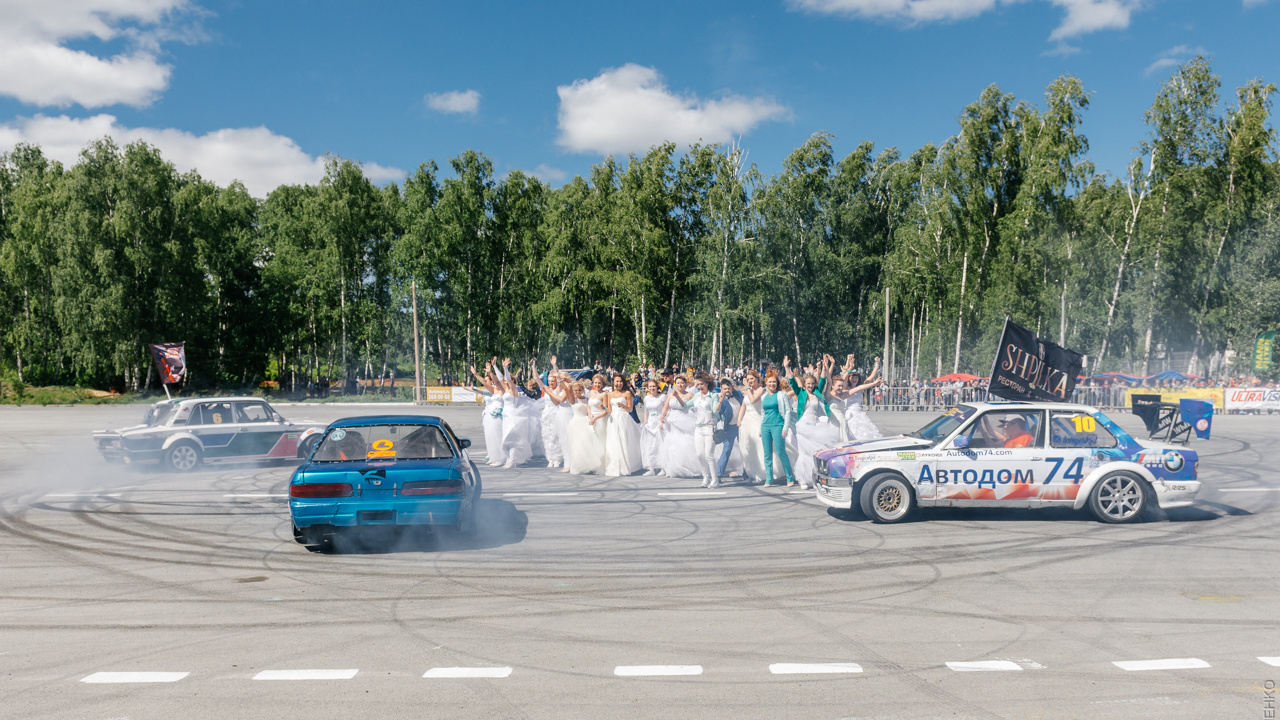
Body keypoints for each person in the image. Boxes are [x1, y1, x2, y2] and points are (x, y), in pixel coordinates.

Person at [784, 356, 838, 490]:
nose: (810, 386)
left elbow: (823, 380)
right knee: (803, 453)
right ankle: (803, 479)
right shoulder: (800, 393)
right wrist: (786, 367)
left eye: (812, 384)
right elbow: (792, 381)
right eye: (808, 384)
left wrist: (825, 367)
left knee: (815, 453)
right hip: (803, 426)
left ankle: (814, 477)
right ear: (804, 384)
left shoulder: (817, 392)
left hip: (815, 426)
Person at [659, 375, 701, 478]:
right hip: (672, 422)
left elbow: (697, 407)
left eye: (682, 383)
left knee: (685, 445)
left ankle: (687, 467)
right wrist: (662, 416)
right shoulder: (671, 395)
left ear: (685, 384)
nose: (680, 385)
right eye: (678, 383)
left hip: (685, 420)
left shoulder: (690, 395)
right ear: (675, 384)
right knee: (671, 446)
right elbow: (666, 407)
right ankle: (671, 469)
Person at [760, 369, 796, 487]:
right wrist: (760, 428)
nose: (772, 384)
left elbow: (787, 412)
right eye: (770, 382)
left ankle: (789, 476)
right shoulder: (763, 397)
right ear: (766, 382)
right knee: (767, 454)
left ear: (777, 383)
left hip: (778, 425)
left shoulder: (782, 395)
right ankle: (769, 479)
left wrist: (785, 427)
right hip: (765, 426)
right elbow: (762, 413)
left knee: (781, 451)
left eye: (774, 382)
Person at [470, 361, 507, 467]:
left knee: (499, 437)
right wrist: (476, 374)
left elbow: (497, 381)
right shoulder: (493, 390)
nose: (495, 383)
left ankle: (502, 458)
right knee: (492, 437)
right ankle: (495, 457)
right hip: (491, 416)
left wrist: (491, 372)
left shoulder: (503, 390)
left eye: (496, 381)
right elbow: (485, 383)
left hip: (499, 416)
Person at [604, 374, 642, 476]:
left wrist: (623, 406)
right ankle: (615, 464)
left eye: (620, 381)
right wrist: (603, 408)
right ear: (613, 382)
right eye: (617, 381)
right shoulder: (610, 394)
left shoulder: (627, 393)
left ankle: (626, 464)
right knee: (614, 441)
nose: (619, 383)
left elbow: (630, 409)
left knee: (623, 439)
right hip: (613, 419)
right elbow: (609, 410)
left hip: (623, 418)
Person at [687, 373, 721, 488]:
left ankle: (715, 479)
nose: (700, 386)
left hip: (709, 427)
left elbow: (715, 411)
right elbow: (686, 405)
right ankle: (706, 477)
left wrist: (720, 401)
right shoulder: (697, 396)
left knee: (709, 455)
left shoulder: (713, 396)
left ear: (707, 384)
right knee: (699, 455)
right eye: (698, 384)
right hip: (698, 428)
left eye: (702, 384)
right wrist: (677, 397)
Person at [565, 380, 606, 474]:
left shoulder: (587, 398)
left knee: (587, 444)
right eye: (576, 390)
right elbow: (567, 389)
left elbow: (590, 408)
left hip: (586, 422)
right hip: (576, 423)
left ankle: (588, 464)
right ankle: (577, 465)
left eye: (579, 390)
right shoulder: (573, 399)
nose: (577, 392)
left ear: (583, 390)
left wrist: (596, 413)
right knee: (577, 445)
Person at [736, 370, 769, 482]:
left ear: (757, 379)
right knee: (747, 447)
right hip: (747, 421)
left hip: (757, 420)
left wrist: (747, 389)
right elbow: (743, 406)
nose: (750, 381)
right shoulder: (748, 391)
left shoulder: (760, 390)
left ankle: (761, 473)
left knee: (759, 447)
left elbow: (753, 400)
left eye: (752, 379)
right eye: (748, 379)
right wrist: (739, 420)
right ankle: (751, 473)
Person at [715, 377, 743, 481]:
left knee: (745, 449)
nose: (727, 390)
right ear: (721, 389)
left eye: (729, 388)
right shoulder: (720, 400)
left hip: (741, 426)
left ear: (732, 388)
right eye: (725, 389)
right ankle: (718, 475)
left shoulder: (738, 394)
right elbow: (717, 413)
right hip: (729, 427)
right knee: (726, 450)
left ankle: (746, 473)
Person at [639, 378, 667, 476]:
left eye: (654, 386)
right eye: (650, 386)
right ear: (647, 388)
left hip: (659, 422)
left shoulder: (662, 397)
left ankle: (663, 467)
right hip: (650, 424)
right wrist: (645, 421)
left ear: (657, 387)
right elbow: (646, 411)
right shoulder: (646, 398)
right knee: (650, 445)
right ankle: (651, 468)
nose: (652, 388)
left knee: (660, 445)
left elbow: (666, 410)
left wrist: (663, 421)